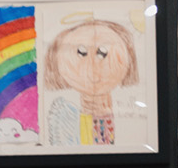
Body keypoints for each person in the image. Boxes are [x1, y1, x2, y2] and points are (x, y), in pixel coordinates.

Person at [41, 17, 139, 146]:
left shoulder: (130, 123)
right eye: (81, 53)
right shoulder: (64, 118)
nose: (92, 65)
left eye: (102, 53)